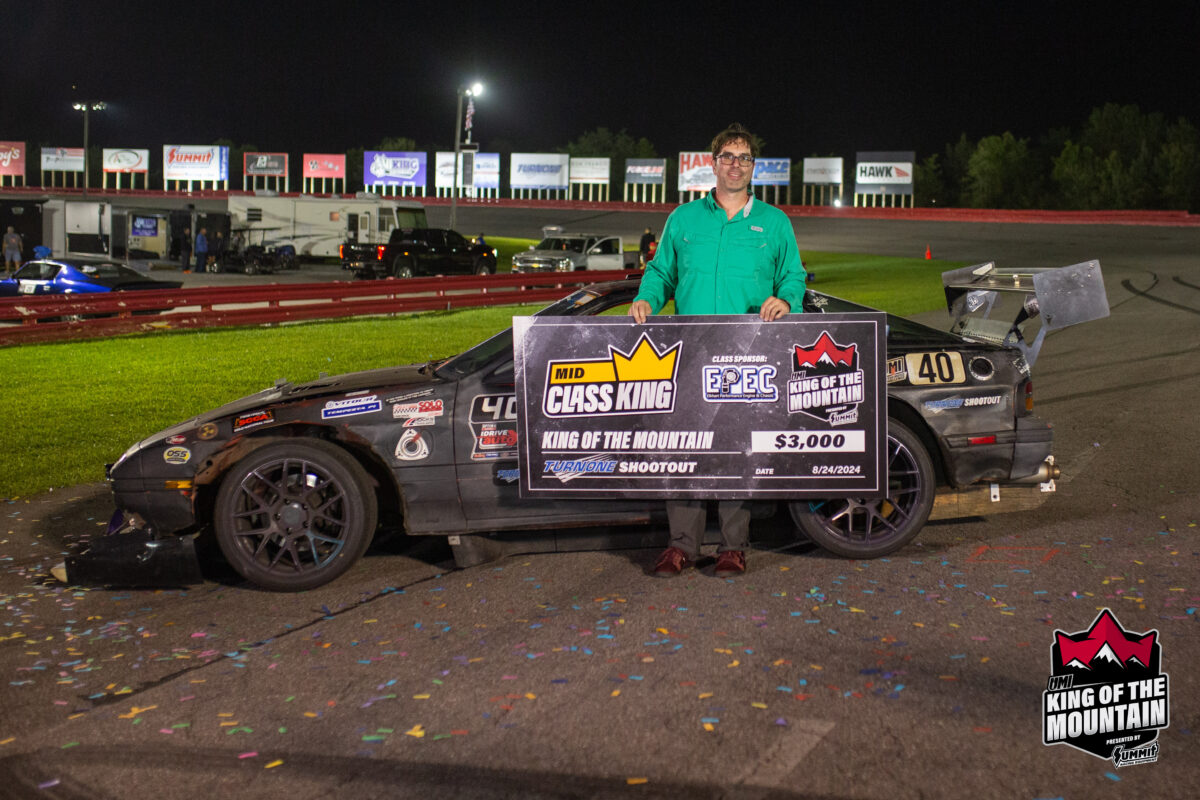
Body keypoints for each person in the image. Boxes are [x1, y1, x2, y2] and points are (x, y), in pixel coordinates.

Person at [629, 123, 807, 579]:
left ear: (753, 167)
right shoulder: (683, 219)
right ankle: (681, 546)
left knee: (735, 448)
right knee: (684, 447)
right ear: (712, 163)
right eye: (726, 156)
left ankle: (733, 546)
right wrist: (647, 296)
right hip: (688, 353)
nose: (734, 164)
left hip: (748, 354)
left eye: (743, 158)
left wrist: (785, 300)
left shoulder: (774, 222)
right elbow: (660, 272)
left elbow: (794, 276)